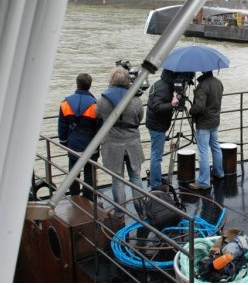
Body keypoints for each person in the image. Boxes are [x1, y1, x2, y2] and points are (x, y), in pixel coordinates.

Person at [96, 66, 145, 217]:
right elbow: (139, 118)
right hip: (132, 143)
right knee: (136, 177)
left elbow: (98, 116)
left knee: (117, 180)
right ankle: (141, 211)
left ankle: (120, 213)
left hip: (112, 144)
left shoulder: (103, 100)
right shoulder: (135, 100)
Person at [58, 73, 101, 200]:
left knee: (73, 173)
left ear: (77, 84)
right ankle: (88, 199)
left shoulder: (65, 103)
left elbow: (62, 126)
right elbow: (99, 127)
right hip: (90, 143)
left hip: (73, 143)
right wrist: (98, 144)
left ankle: (74, 197)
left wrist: (64, 141)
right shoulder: (95, 105)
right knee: (89, 173)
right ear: (90, 86)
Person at [188, 71, 225, 190]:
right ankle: (219, 172)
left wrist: (191, 110)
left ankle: (204, 181)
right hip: (215, 120)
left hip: (204, 123)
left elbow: (199, 107)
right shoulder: (218, 82)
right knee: (215, 146)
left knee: (203, 151)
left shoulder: (203, 86)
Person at [145, 69, 179, 191]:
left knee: (156, 154)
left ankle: (156, 177)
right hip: (157, 126)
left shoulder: (159, 83)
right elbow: (157, 106)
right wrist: (172, 104)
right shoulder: (164, 88)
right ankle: (155, 183)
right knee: (156, 156)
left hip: (154, 123)